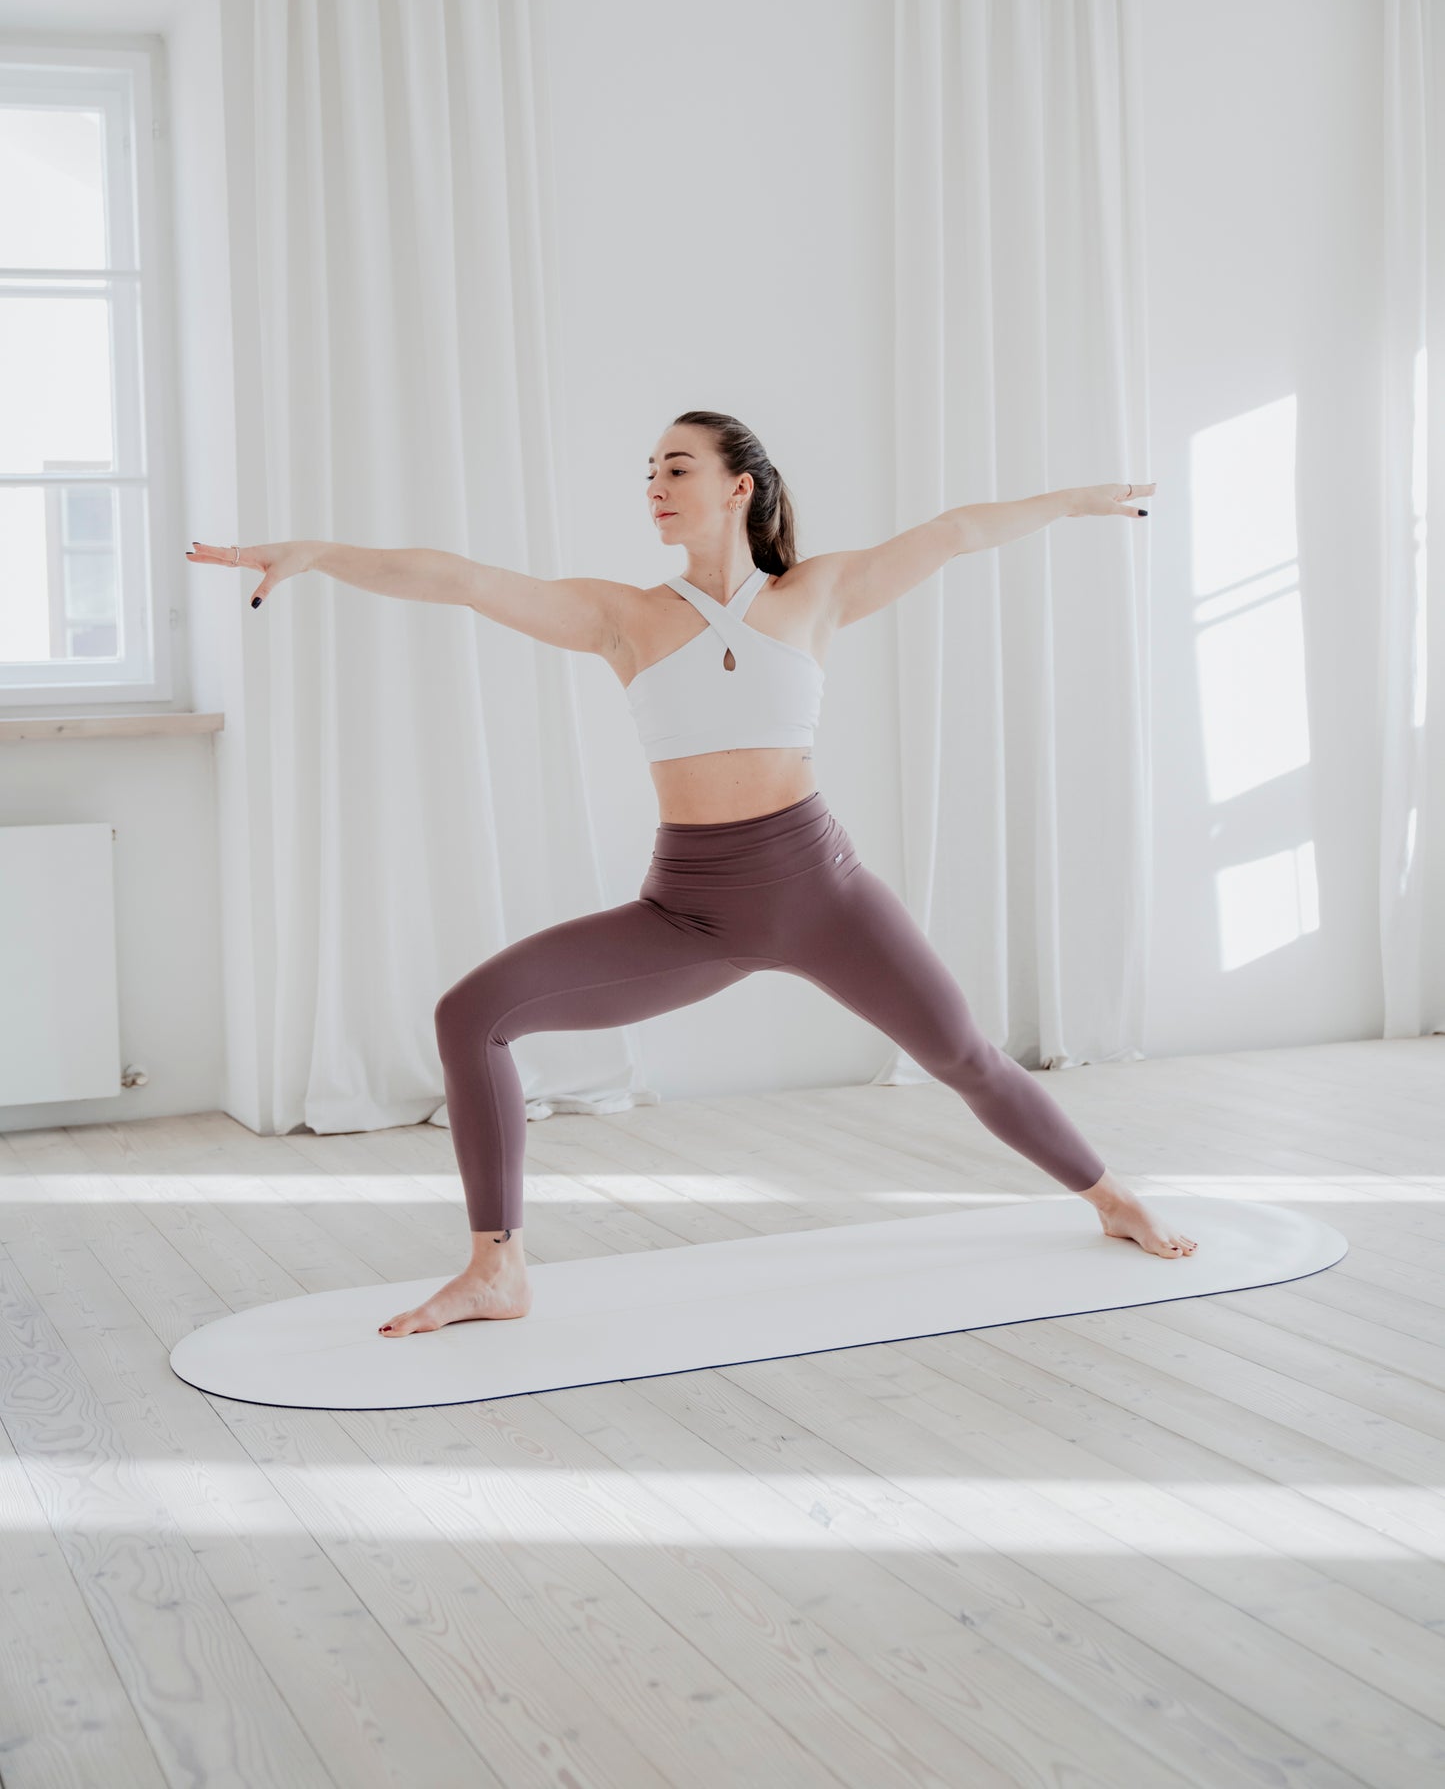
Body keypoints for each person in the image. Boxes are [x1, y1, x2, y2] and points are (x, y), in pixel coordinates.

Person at [188, 409, 1191, 1339]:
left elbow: (958, 529)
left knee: (965, 1054)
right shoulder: (622, 615)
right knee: (471, 1013)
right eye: (648, 473)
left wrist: (1077, 501)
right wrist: (317, 554)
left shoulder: (815, 593)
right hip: (690, 911)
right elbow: (455, 577)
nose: (655, 486)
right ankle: (497, 1266)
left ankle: (1111, 1199)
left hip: (821, 890)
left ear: (740, 486)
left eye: (677, 467)